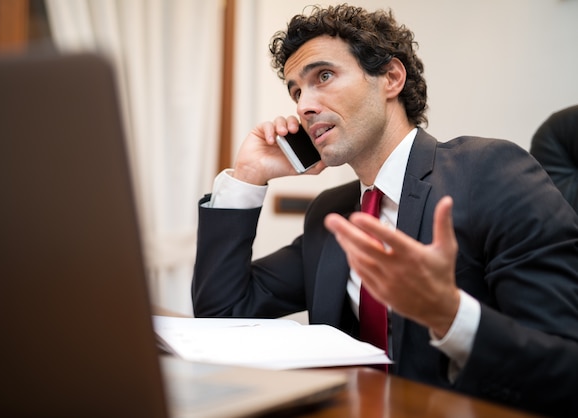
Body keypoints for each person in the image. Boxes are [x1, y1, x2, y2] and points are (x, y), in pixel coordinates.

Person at [191, 4, 578, 416]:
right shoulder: (332, 213)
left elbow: (567, 368)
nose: (304, 106)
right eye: (296, 91)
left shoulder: (490, 171)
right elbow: (223, 313)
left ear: (391, 78)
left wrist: (449, 315)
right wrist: (248, 177)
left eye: (323, 76)